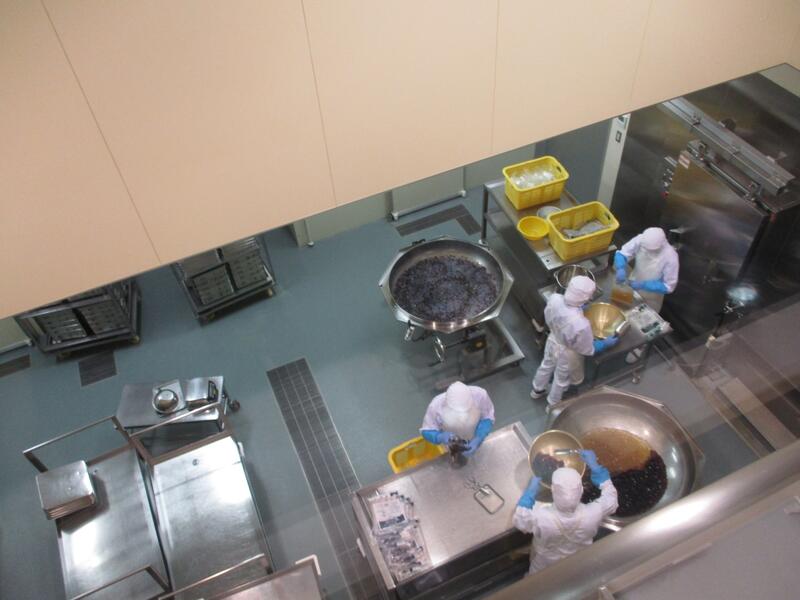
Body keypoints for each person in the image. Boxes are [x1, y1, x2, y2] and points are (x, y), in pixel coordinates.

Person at [513, 450, 618, 575]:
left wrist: (529, 493)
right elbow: (612, 499)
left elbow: (520, 520)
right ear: (581, 490)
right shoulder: (593, 514)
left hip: (544, 564)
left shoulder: (541, 516)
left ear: (552, 489)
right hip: (577, 561)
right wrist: (596, 468)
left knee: (537, 582)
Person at [531, 276, 618, 411]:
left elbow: (556, 315)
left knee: (546, 365)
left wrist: (579, 309)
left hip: (552, 339)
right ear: (585, 298)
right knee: (561, 379)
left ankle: (537, 390)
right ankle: (553, 404)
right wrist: (603, 344)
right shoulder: (581, 324)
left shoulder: (555, 298)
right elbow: (586, 349)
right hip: (566, 353)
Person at [420, 381, 494, 457]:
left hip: (477, 442)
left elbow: (487, 417)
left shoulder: (480, 395)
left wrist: (479, 438)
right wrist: (440, 436)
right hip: (450, 446)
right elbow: (426, 430)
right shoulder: (436, 405)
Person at [615, 227, 679, 313]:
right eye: (645, 248)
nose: (647, 251)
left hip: (652, 297)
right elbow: (623, 253)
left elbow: (669, 286)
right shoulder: (641, 239)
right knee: (623, 311)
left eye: (651, 250)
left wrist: (644, 285)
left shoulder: (671, 257)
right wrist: (620, 268)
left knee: (643, 317)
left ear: (661, 245)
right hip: (632, 284)